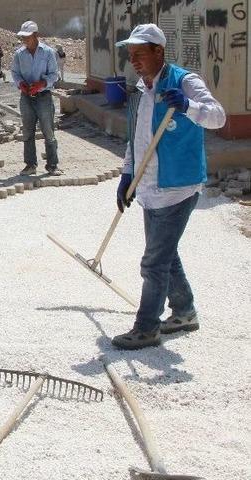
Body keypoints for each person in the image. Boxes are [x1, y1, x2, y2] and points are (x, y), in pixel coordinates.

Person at [110, 24, 225, 350]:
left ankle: (147, 328)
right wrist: (127, 175)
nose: (134, 61)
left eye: (139, 54)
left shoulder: (185, 81)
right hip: (150, 188)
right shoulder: (143, 89)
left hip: (179, 188)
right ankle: (185, 311)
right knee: (166, 254)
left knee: (153, 263)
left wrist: (188, 106)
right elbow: (137, 138)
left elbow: (218, 117)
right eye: (130, 55)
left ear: (158, 52)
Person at [10, 20, 61, 176]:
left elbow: (54, 74)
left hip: (43, 96)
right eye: (23, 37)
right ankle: (30, 164)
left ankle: (52, 165)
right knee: (27, 131)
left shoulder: (48, 52)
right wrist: (21, 84)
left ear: (36, 35)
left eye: (27, 37)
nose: (24, 40)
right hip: (26, 97)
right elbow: (15, 73)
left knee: (48, 131)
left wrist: (42, 83)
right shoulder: (19, 54)